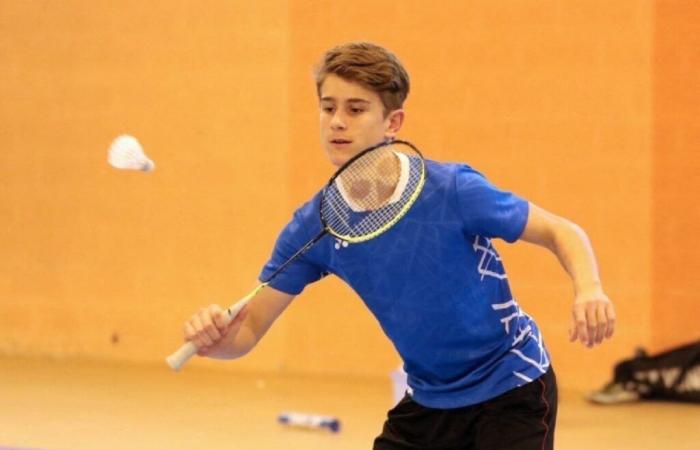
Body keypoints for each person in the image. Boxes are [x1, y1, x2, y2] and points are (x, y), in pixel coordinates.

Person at [182, 42, 616, 450]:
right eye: (327, 107)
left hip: (512, 383)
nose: (336, 121)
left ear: (393, 123)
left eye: (355, 109)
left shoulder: (453, 189)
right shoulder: (315, 226)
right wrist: (216, 341)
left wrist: (590, 289)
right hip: (430, 399)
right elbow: (250, 328)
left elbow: (562, 231)